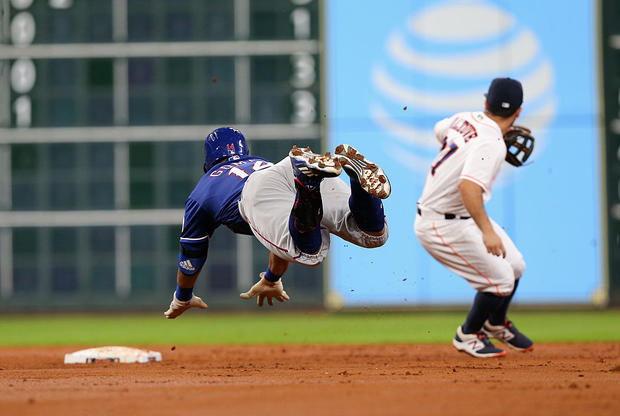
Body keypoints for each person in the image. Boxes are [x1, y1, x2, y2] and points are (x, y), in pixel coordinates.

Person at [164, 127, 391, 318]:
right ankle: (355, 180)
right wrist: (271, 279)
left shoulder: (202, 191)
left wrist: (182, 297)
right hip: (283, 168)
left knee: (310, 253)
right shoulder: (256, 161)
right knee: (373, 235)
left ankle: (308, 185)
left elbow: (192, 254)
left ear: (208, 160)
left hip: (256, 190)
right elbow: (282, 228)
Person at [414, 77, 534, 358]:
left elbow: (439, 130)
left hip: (459, 217)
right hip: (439, 224)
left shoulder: (464, 118)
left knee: (515, 265)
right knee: (502, 281)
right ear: (518, 111)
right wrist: (487, 232)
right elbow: (468, 188)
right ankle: (468, 334)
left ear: (485, 102)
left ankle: (495, 322)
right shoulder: (492, 144)